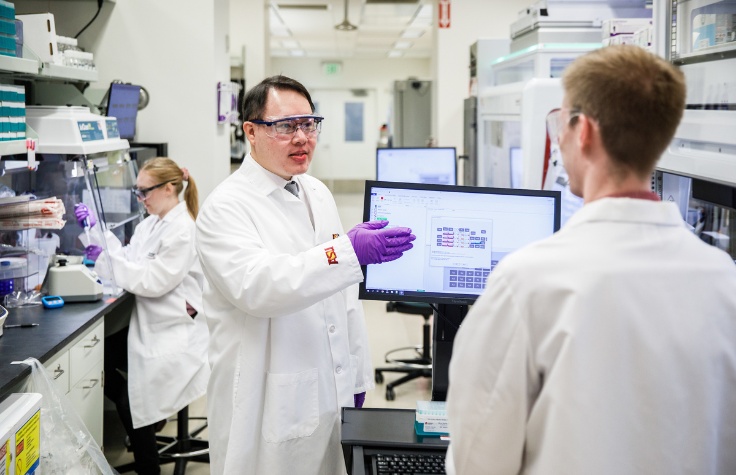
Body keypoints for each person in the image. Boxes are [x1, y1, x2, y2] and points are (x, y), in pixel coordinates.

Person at [445, 45, 736, 474]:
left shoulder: (528, 282)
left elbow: (477, 458)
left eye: (560, 122)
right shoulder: (724, 283)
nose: (558, 137)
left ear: (583, 131)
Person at [195, 75, 416, 475]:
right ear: (251, 132)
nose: (302, 138)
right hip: (267, 400)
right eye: (285, 126)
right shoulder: (225, 207)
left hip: (330, 388)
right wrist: (345, 252)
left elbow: (343, 295)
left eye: (309, 124)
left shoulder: (316, 191)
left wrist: (358, 373)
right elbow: (259, 287)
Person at [75, 157, 210, 475]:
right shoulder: (151, 224)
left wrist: (107, 262)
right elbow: (129, 259)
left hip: (175, 332)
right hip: (151, 325)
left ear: (169, 188)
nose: (140, 198)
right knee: (98, 358)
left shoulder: (183, 230)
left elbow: (152, 281)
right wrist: (95, 232)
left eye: (145, 191)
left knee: (130, 400)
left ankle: (149, 467)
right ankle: (151, 421)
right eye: (137, 191)